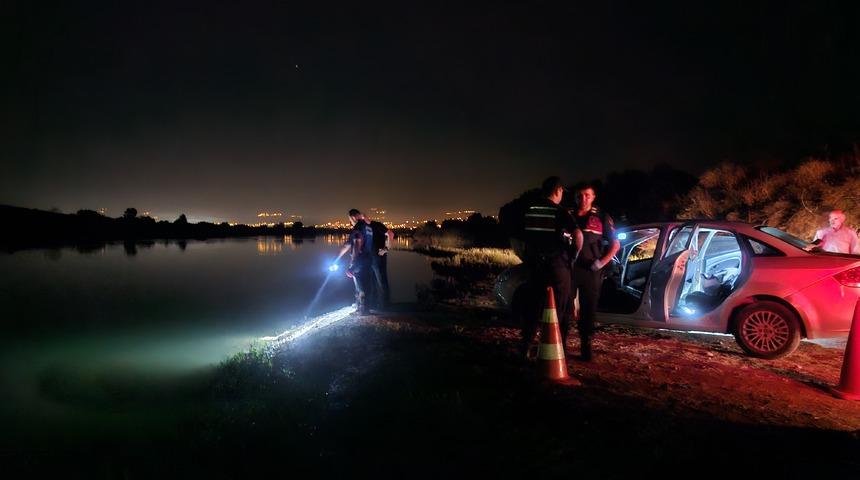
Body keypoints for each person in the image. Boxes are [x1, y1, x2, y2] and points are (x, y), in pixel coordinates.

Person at [518, 176, 582, 359]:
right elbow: (578, 235)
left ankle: (525, 347)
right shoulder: (560, 212)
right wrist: (573, 255)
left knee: (532, 307)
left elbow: (519, 239)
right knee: (560, 308)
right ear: (558, 191)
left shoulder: (530, 211)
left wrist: (526, 257)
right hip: (557, 267)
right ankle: (557, 350)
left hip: (535, 267)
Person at [571, 183, 620, 361]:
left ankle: (586, 346)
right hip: (569, 270)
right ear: (575, 198)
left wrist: (600, 263)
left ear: (593, 197)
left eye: (587, 195)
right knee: (564, 308)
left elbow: (615, 244)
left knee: (588, 309)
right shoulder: (568, 216)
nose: (583, 199)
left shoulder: (601, 217)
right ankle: (558, 343)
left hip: (591, 271)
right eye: (579, 196)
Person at [335, 209, 375, 315]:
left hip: (359, 260)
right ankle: (365, 308)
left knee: (360, 286)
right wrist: (337, 258)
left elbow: (357, 245)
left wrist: (352, 265)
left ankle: (362, 311)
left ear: (353, 217)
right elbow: (347, 245)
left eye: (350, 219)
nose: (350, 222)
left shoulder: (357, 228)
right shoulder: (368, 227)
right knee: (366, 284)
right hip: (368, 259)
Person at [368, 216, 395, 309]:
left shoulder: (376, 225)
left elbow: (390, 234)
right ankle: (374, 304)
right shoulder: (364, 228)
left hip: (378, 258)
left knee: (381, 281)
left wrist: (386, 249)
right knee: (372, 282)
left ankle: (385, 305)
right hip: (369, 259)